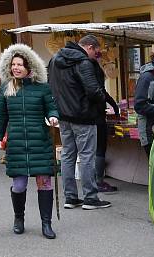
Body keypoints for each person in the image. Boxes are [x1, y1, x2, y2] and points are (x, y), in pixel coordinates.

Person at [0, 44, 60, 239]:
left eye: (20, 64)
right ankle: (18, 218)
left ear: (29, 67)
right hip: (17, 143)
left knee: (44, 183)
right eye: (13, 64)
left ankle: (46, 224)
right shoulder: (7, 88)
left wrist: (54, 117)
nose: (16, 68)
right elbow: (1, 115)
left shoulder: (42, 88)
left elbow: (52, 108)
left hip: (40, 141)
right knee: (19, 185)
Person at [48, 34, 111, 210]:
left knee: (68, 155)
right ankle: (90, 197)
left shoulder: (55, 60)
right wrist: (101, 103)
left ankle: (70, 197)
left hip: (63, 116)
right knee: (86, 157)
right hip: (84, 116)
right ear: (90, 47)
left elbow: (50, 85)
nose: (96, 56)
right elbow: (93, 90)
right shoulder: (84, 62)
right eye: (96, 53)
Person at [93, 58, 120, 193]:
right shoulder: (93, 70)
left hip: (85, 117)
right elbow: (101, 91)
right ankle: (98, 181)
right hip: (97, 116)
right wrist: (114, 106)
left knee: (88, 150)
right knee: (99, 149)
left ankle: (92, 181)